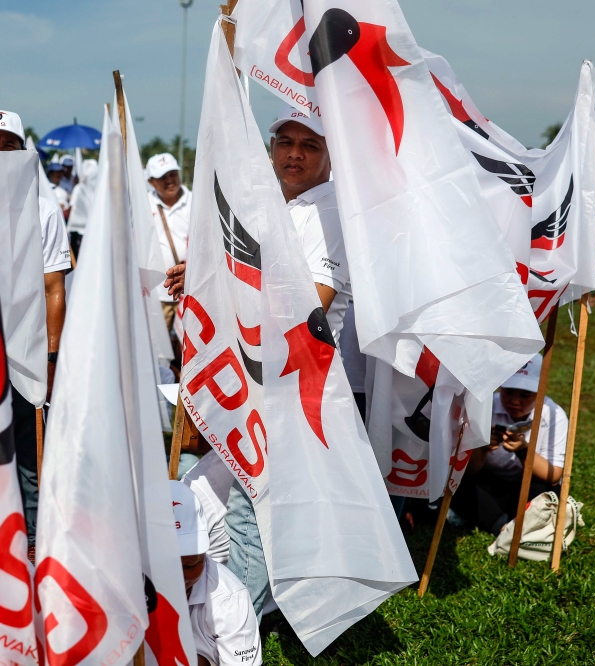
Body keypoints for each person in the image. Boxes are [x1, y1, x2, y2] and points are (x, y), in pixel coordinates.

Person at [163, 104, 352, 619]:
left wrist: (220, 289)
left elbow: (309, 308)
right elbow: (249, 277)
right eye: (285, 142)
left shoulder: (330, 213)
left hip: (293, 384)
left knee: (251, 507)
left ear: (330, 154)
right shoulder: (273, 205)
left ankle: (237, 627)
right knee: (223, 493)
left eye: (309, 145)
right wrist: (204, 277)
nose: (294, 154)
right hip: (251, 375)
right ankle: (241, 607)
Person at [0, 109, 71, 558]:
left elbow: (54, 287)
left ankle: (34, 548)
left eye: (7, 145)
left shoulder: (43, 209)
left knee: (30, 457)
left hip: (26, 352)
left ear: (22, 151)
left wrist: (50, 358)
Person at [449, 354, 568, 535]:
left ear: (540, 392)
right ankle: (504, 526)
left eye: (525, 395)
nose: (514, 401)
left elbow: (553, 475)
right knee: (457, 482)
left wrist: (524, 451)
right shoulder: (485, 407)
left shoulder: (554, 415)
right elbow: (469, 471)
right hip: (488, 481)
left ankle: (493, 520)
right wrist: (481, 447)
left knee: (549, 492)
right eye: (509, 392)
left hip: (527, 485)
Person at [170, 481, 262, 666]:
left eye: (190, 565)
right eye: (168, 566)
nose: (178, 579)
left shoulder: (229, 600)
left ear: (204, 553)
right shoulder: (121, 580)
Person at [146, 153, 192, 333]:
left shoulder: (196, 200)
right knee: (158, 345)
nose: (170, 180)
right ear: (151, 181)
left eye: (173, 174)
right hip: (157, 293)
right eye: (163, 177)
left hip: (191, 290)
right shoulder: (142, 205)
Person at [67, 158, 99, 258]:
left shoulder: (79, 188)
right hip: (86, 230)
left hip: (80, 229)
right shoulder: (99, 191)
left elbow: (72, 206)